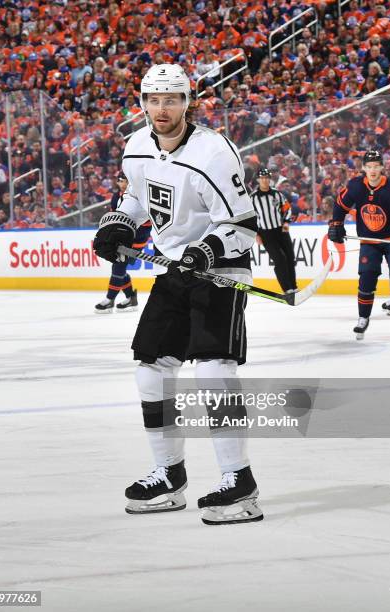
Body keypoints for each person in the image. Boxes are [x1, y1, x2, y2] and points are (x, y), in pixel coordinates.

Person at [93, 63, 262, 525]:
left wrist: (207, 250)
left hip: (220, 269)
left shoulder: (215, 152)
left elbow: (243, 227)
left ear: (189, 101)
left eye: (171, 99)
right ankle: (169, 476)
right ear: (142, 102)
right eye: (153, 99)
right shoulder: (136, 146)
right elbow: (137, 199)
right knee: (151, 371)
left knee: (213, 371)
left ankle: (239, 482)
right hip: (174, 270)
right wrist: (118, 223)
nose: (161, 108)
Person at [328, 150, 390, 339]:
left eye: (376, 166)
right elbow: (340, 205)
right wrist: (336, 224)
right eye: (369, 167)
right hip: (369, 240)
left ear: (382, 167)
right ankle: (363, 318)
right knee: (366, 279)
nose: (373, 170)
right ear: (364, 168)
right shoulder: (355, 186)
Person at [94, 174, 152, 313]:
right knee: (119, 266)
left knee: (119, 266)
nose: (121, 183)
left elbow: (147, 219)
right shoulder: (116, 197)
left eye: (124, 180)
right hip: (122, 237)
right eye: (119, 180)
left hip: (137, 238)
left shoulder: (141, 193)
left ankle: (109, 299)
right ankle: (131, 298)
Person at [251, 167, 297, 293]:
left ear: (270, 179)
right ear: (258, 180)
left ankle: (294, 286)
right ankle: (287, 289)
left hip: (281, 231)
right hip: (266, 234)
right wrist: (256, 234)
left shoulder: (277, 194)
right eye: (262, 178)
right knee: (280, 259)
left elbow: (287, 208)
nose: (265, 180)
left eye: (267, 178)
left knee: (290, 257)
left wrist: (286, 222)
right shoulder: (253, 198)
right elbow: (251, 218)